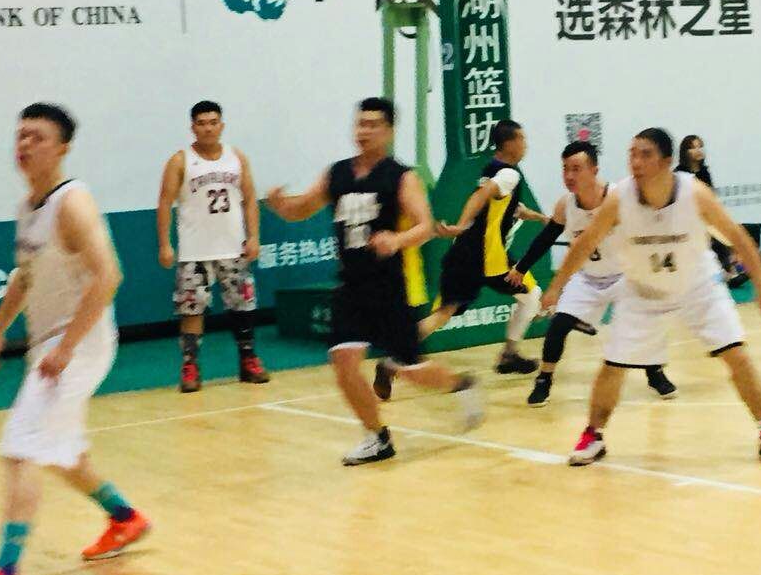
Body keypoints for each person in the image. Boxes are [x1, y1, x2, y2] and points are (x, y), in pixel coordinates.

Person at [0, 104, 150, 575]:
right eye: (20, 135)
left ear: (62, 148)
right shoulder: (27, 208)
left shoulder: (72, 203)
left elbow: (109, 276)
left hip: (79, 344)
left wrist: (67, 347)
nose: (24, 144)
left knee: (21, 447)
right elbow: (25, 276)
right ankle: (125, 517)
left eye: (36, 137)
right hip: (52, 346)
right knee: (62, 455)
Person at [542, 128, 761, 467]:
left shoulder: (695, 193)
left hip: (697, 285)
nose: (636, 162)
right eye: (632, 154)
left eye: (645, 154)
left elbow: (737, 237)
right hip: (642, 290)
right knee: (613, 365)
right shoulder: (620, 198)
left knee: (736, 354)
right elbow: (585, 243)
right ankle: (593, 434)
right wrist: (557, 287)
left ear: (666, 161)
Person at [266, 98, 483, 466]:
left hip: (389, 288)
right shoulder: (336, 174)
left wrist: (396, 240)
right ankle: (377, 437)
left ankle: (461, 384)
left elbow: (425, 226)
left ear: (389, 131)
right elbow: (302, 208)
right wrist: (280, 205)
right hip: (350, 286)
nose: (364, 131)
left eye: (373, 124)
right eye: (360, 123)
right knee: (343, 362)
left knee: (410, 369)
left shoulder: (401, 176)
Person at [374, 118, 547, 399]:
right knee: (533, 294)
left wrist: (541, 218)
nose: (525, 145)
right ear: (510, 143)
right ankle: (509, 354)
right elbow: (480, 197)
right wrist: (461, 224)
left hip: (462, 254)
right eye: (522, 139)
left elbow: (513, 207)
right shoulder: (508, 175)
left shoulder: (492, 171)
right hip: (489, 259)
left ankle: (393, 359)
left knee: (443, 313)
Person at [509, 141, 676, 407]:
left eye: (576, 169)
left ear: (594, 170)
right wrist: (522, 267)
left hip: (623, 276)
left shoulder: (617, 198)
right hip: (588, 278)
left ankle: (654, 373)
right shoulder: (566, 205)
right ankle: (543, 380)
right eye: (565, 169)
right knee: (558, 325)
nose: (569, 176)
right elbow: (545, 238)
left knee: (642, 323)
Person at [156, 100, 268, 392]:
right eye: (202, 123)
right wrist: (165, 244)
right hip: (195, 250)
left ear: (222, 125)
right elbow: (165, 202)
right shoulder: (180, 160)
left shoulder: (236, 157)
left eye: (213, 122)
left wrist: (254, 237)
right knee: (192, 308)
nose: (208, 128)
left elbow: (250, 198)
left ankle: (248, 359)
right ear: (193, 127)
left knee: (243, 304)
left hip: (233, 247)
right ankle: (190, 365)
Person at [675, 134, 747, 286]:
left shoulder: (704, 172)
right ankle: (728, 271)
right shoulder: (679, 174)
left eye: (700, 147)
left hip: (706, 217)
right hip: (688, 218)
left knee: (724, 232)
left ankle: (730, 268)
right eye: (693, 148)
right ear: (685, 152)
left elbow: (711, 197)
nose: (698, 150)